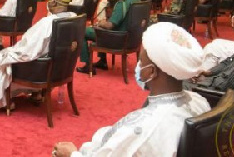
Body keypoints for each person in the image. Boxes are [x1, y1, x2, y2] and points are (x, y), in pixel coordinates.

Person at [53, 22, 211, 157]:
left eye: (141, 62)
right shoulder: (199, 101)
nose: (138, 66)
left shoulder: (143, 127)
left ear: (151, 72)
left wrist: (72, 154)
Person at [0, 0, 75, 112]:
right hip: (61, 69)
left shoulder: (48, 23)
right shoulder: (74, 17)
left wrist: (9, 53)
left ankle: (4, 101)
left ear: (54, 1)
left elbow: (28, 52)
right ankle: (37, 93)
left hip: (40, 71)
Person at [76, 0, 141, 75]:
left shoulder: (123, 3)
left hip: (117, 39)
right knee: (99, 30)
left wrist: (101, 23)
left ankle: (87, 65)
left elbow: (110, 25)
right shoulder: (139, 2)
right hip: (132, 40)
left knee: (81, 31)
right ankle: (102, 62)